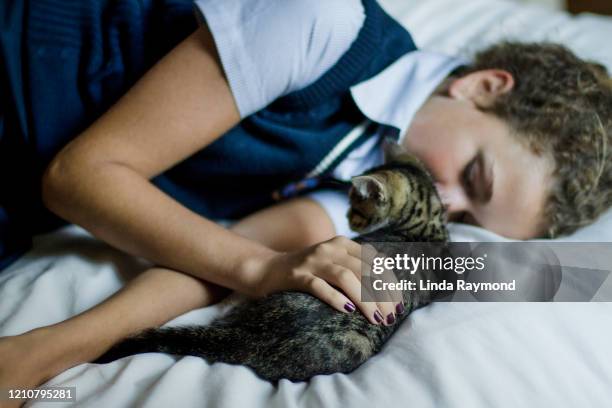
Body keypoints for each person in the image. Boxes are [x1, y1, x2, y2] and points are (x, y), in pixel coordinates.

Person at [1, 0, 611, 395]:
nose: (444, 202)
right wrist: (262, 268)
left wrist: (47, 351)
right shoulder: (324, 24)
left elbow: (220, 257)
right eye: (473, 178)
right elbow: (80, 176)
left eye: (466, 216)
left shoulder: (369, 181)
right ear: (482, 86)